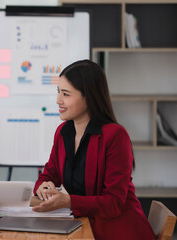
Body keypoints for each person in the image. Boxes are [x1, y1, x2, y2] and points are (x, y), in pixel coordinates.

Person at [32, 60, 155, 240]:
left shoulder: (115, 136)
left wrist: (69, 201)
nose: (58, 100)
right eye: (58, 92)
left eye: (66, 94)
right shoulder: (63, 132)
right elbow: (48, 175)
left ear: (88, 97)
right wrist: (43, 186)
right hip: (84, 228)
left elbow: (114, 203)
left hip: (119, 232)